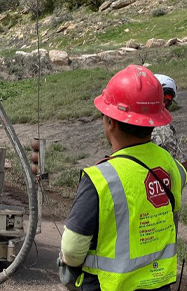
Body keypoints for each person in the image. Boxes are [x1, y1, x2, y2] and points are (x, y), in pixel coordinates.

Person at [60, 65, 186, 291]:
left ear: (111, 122)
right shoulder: (171, 166)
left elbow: (71, 250)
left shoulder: (99, 178)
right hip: (159, 285)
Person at [151, 74, 187, 169]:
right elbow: (180, 165)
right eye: (166, 98)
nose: (166, 103)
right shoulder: (163, 128)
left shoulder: (126, 124)